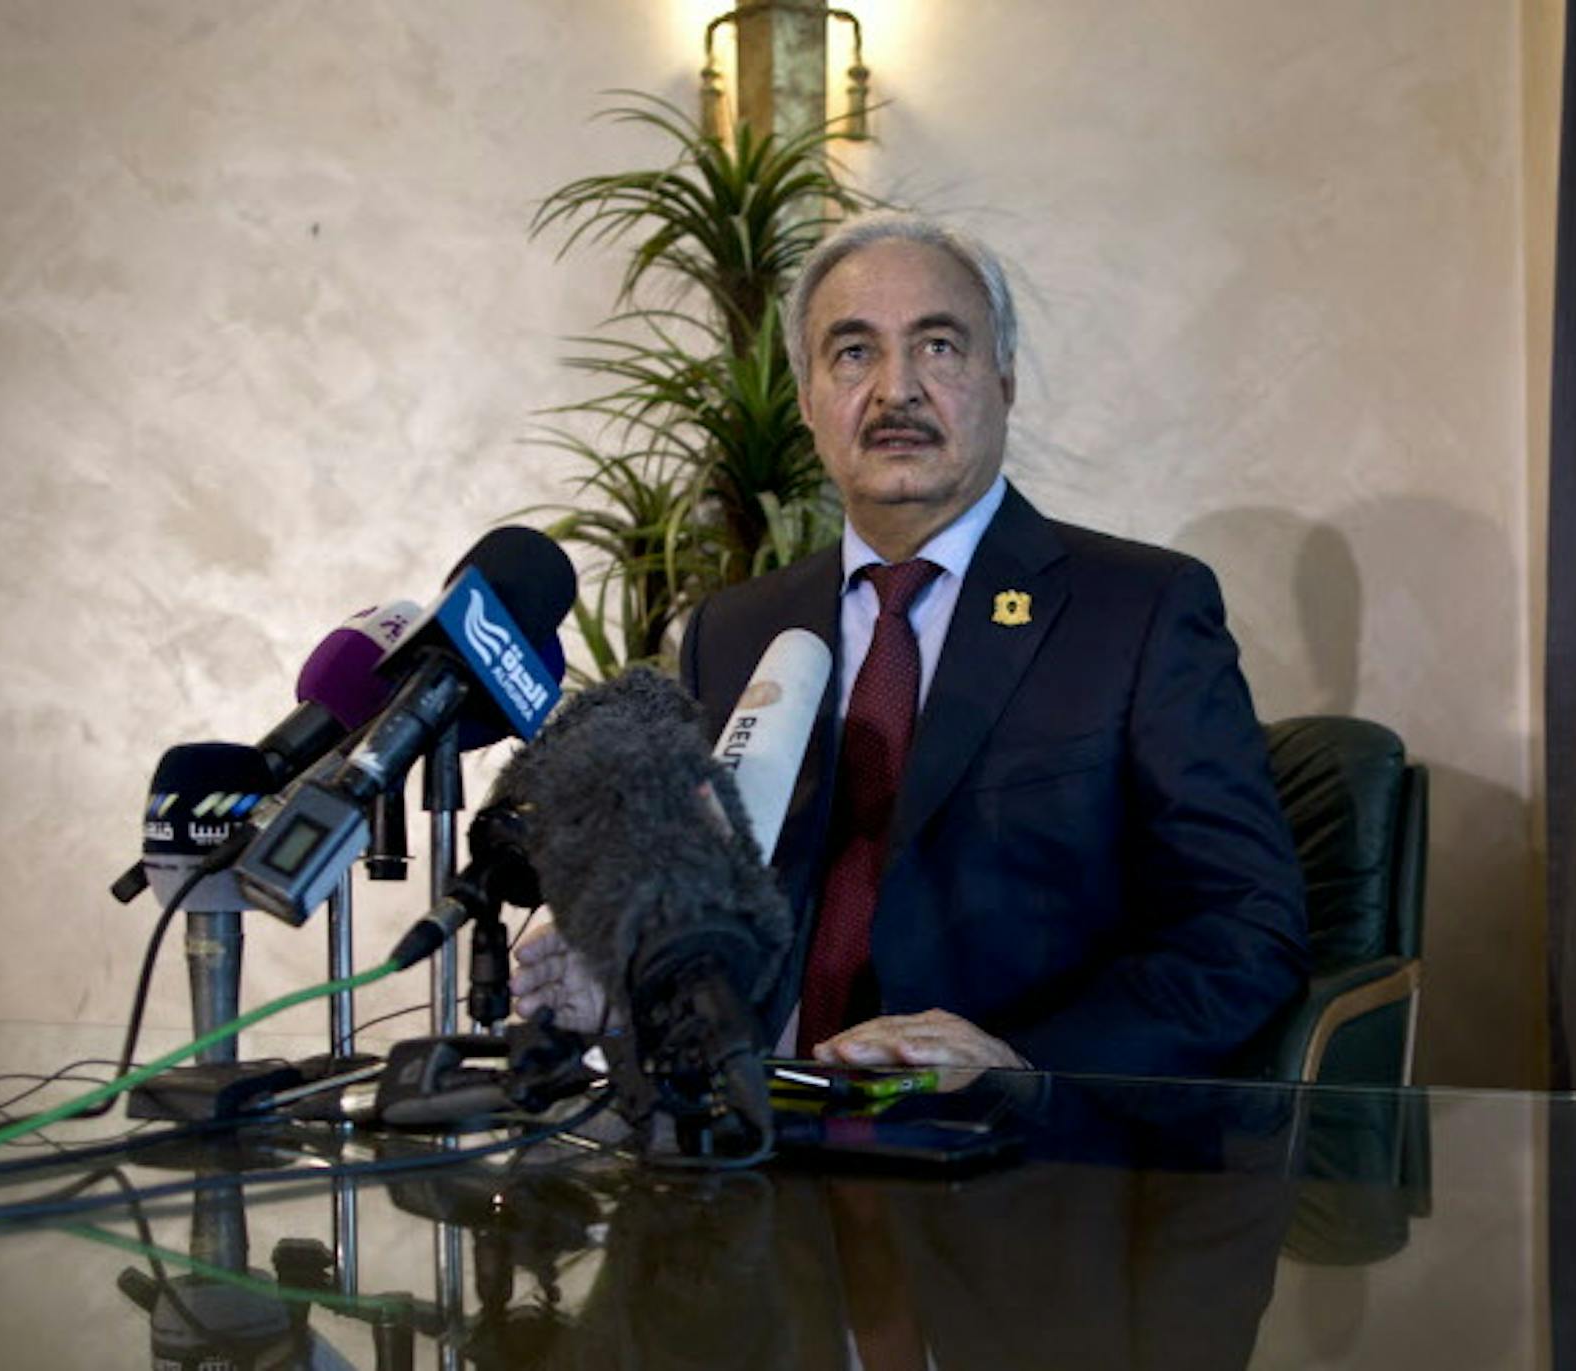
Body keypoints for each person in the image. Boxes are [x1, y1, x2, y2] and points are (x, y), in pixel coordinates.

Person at [514, 212, 1308, 1077]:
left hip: (1015, 1162)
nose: (896, 389)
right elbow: (723, 911)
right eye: (853, 352)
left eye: (938, 346)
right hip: (761, 1145)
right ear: (809, 400)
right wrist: (632, 990)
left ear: (1002, 379)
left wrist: (1022, 1066)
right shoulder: (736, 629)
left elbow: (1244, 930)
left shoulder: (1140, 611)